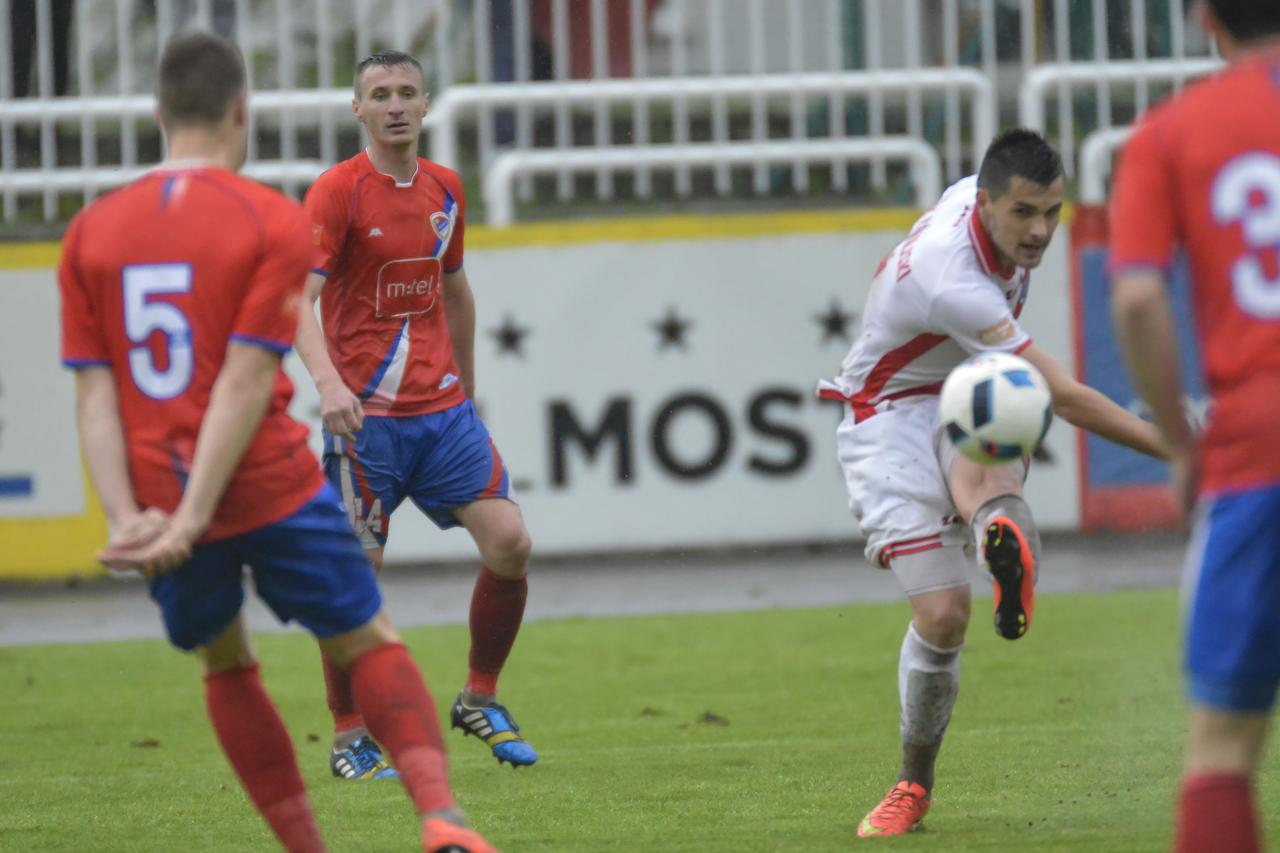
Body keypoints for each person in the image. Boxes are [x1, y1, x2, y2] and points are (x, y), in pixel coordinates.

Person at [57, 30, 495, 853]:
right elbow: (246, 381)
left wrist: (132, 515)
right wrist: (196, 512)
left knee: (226, 658)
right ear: (240, 111)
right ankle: (442, 817)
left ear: (157, 115)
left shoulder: (92, 232)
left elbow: (95, 397)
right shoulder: (266, 218)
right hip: (262, 475)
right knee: (369, 635)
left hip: (157, 486)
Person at [817, 128, 1168, 838]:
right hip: (884, 414)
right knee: (943, 617)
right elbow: (1066, 397)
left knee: (999, 406)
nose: (1040, 230)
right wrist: (1184, 450)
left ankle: (997, 539)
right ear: (984, 204)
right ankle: (915, 779)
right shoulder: (955, 279)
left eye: (1054, 211)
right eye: (1024, 213)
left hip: (959, 382)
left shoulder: (973, 207)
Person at [294, 50, 537, 779]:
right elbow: (291, 300)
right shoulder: (337, 193)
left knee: (511, 543)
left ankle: (480, 696)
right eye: (380, 94)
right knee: (355, 579)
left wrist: (466, 385)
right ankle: (348, 736)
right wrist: (329, 385)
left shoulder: (446, 188)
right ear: (358, 111)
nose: (396, 104)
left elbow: (454, 290)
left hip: (442, 417)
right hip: (363, 424)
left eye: (407, 92)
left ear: (427, 104)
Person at [1110, 3, 1280, 851]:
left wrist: (1181, 443)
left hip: (1257, 451)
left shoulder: (1171, 133)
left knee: (1222, 748)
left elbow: (1138, 296)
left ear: (1202, 17)